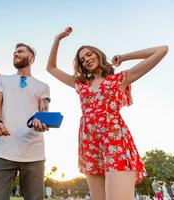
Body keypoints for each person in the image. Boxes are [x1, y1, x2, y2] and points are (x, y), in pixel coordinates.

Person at [46, 27, 168, 200]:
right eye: (82, 59)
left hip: (115, 142)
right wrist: (57, 39)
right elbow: (51, 68)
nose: (86, 59)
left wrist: (125, 57)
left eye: (89, 54)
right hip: (90, 144)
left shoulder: (119, 79)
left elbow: (162, 49)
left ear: (98, 54)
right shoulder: (80, 84)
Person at [0, 43, 50, 200]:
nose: (15, 54)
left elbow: (44, 110)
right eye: (14, 52)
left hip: (34, 152)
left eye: (20, 52)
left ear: (31, 58)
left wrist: (43, 122)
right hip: (3, 151)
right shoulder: (2, 80)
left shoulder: (43, 86)